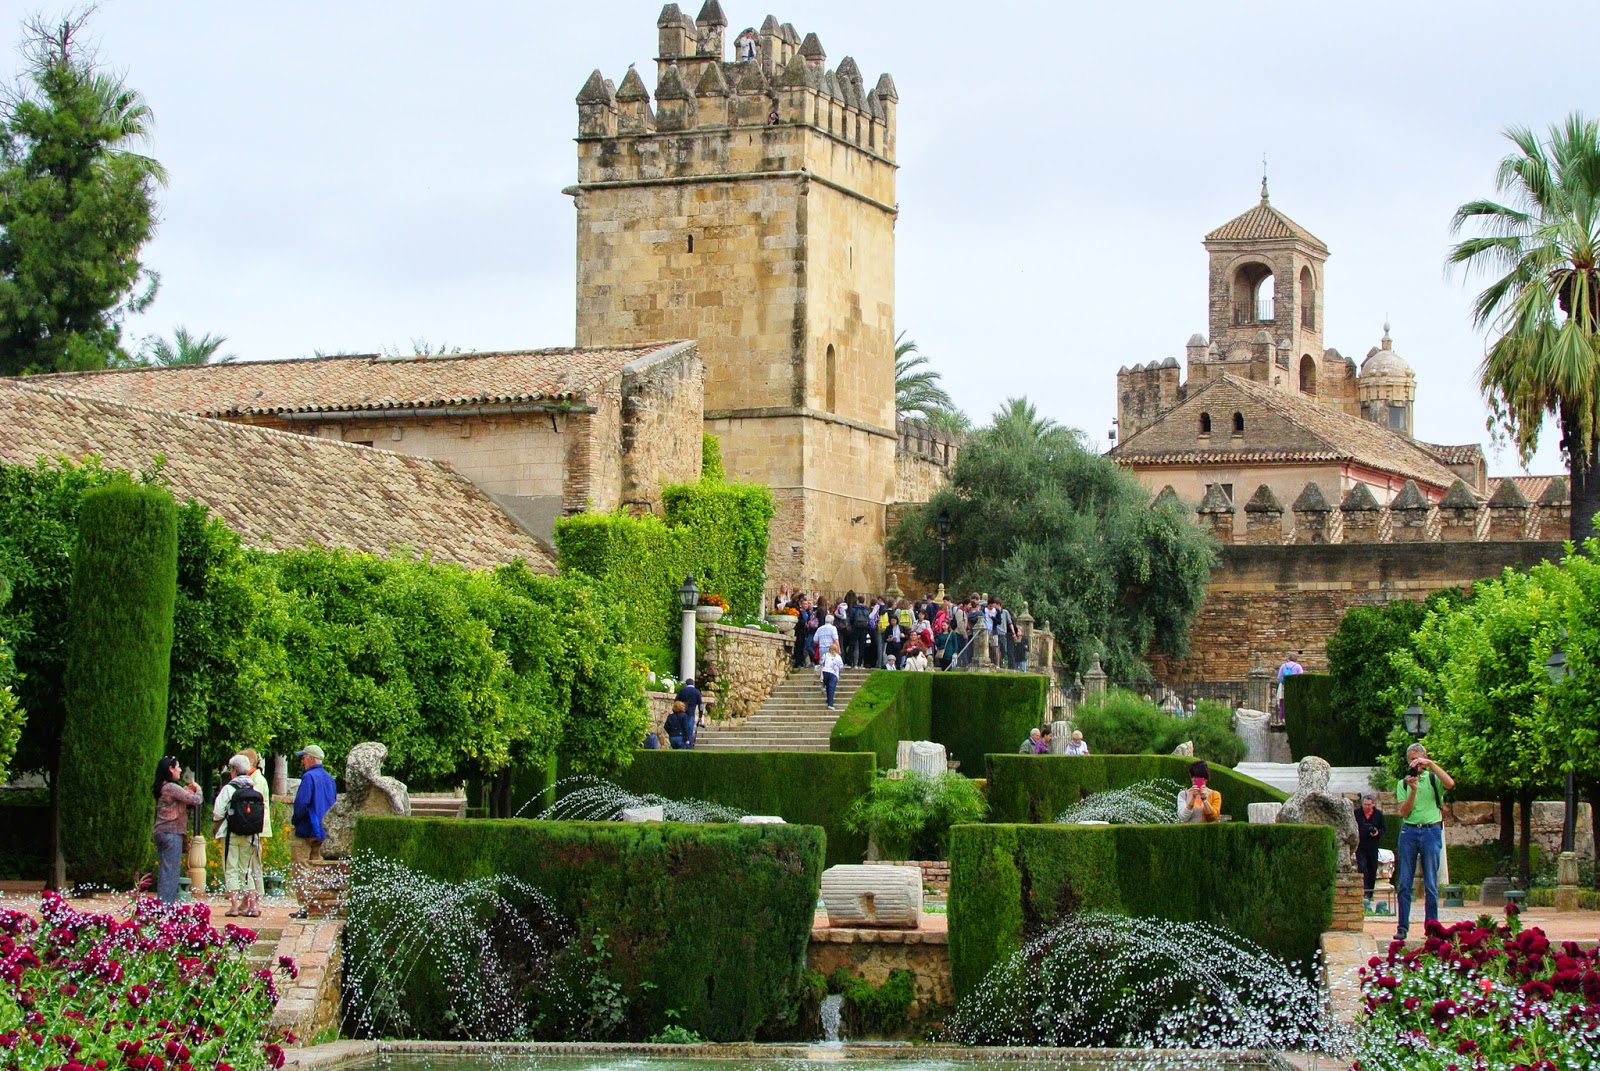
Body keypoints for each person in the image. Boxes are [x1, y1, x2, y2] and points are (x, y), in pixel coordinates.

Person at [1393, 743, 1454, 942]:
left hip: (1431, 831)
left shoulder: (1433, 779)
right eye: (1412, 760)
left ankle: (1432, 927)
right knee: (1404, 882)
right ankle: (1403, 927)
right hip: (1410, 831)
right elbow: (1404, 812)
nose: (1416, 764)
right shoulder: (1403, 784)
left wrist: (1431, 764)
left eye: (1419, 759)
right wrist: (1413, 790)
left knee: (1431, 883)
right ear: (1407, 761)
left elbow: (1450, 784)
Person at [212, 753, 265, 917]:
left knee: (231, 868)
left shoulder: (229, 789)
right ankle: (253, 906)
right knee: (246, 869)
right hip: (250, 835)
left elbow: (218, 812)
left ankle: (234, 906)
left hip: (231, 834)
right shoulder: (254, 789)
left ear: (234, 770)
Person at [290, 744, 337, 919]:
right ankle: (320, 904)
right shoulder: (329, 779)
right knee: (318, 868)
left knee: (301, 867)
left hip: (306, 828)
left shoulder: (309, 777)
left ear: (310, 758)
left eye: (303, 757)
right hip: (323, 830)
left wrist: (295, 821)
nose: (302, 761)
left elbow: (302, 803)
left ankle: (305, 906)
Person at [151, 756, 202, 904]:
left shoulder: (163, 787)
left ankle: (163, 904)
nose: (180, 770)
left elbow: (180, 798)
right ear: (170, 769)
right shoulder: (171, 787)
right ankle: (165, 907)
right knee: (170, 872)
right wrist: (198, 789)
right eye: (177, 767)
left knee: (166, 869)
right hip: (172, 833)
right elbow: (195, 800)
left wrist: (186, 791)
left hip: (161, 832)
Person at [241, 748, 273, 913]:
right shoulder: (252, 779)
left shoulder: (257, 780)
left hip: (255, 828)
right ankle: (247, 901)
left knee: (254, 865)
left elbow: (255, 808)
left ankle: (256, 901)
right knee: (248, 864)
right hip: (254, 827)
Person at [1355, 792, 1386, 907]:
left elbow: (1383, 828)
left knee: (1372, 868)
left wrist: (1377, 832)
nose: (1366, 807)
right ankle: (1363, 891)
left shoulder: (1378, 814)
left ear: (1373, 804)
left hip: (1373, 845)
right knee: (1362, 867)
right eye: (1365, 804)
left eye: (1369, 805)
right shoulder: (1357, 813)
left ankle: (1370, 892)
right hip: (1360, 845)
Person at [1274, 652, 1304, 726]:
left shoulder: (1283, 665)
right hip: (1294, 686)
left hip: (1283, 685)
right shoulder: (1298, 666)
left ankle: (1282, 718)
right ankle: (1293, 718)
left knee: (1283, 702)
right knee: (1294, 701)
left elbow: (1279, 677)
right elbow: (1301, 677)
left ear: (1288, 658)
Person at [846, 596, 871, 668]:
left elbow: (851, 618)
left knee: (852, 645)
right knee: (861, 646)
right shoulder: (866, 610)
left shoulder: (854, 609)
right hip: (864, 629)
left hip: (855, 628)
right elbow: (868, 619)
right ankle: (860, 663)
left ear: (857, 601)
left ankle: (850, 663)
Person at [820, 644, 844, 710]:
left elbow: (821, 662)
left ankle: (828, 700)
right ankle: (830, 704)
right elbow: (841, 667)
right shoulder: (838, 657)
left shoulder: (825, 655)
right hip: (834, 674)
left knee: (828, 686)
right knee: (831, 688)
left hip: (825, 672)